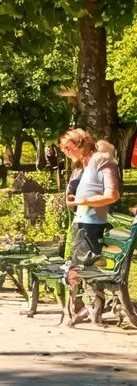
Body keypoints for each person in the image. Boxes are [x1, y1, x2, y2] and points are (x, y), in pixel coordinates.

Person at [60, 129, 120, 320]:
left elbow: (112, 195)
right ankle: (84, 307)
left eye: (66, 149)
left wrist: (80, 201)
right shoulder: (83, 166)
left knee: (81, 268)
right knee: (74, 267)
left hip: (92, 226)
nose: (66, 153)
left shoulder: (101, 160)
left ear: (75, 146)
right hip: (82, 224)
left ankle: (90, 308)